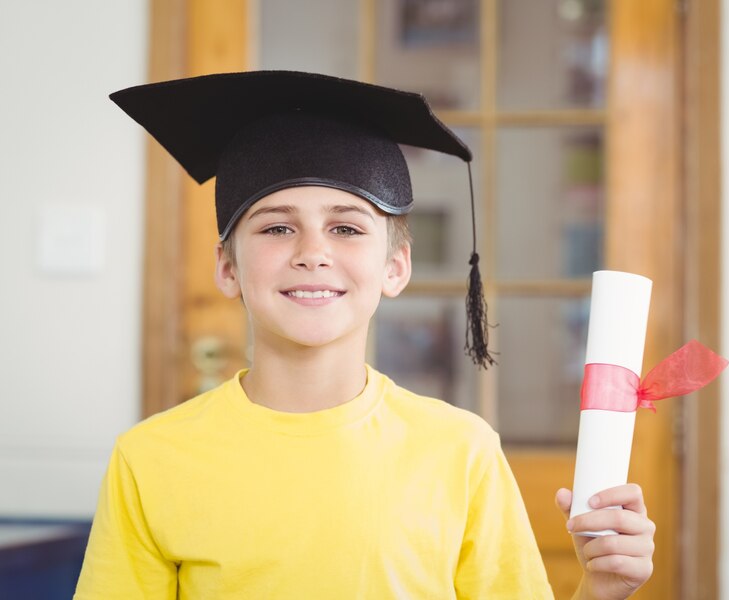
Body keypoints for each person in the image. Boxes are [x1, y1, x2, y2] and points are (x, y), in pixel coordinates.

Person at [75, 71, 655, 599]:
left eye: (346, 227)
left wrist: (599, 589)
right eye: (277, 227)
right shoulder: (151, 461)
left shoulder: (461, 452)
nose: (313, 254)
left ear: (395, 267)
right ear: (228, 268)